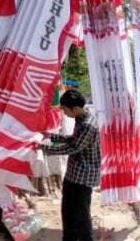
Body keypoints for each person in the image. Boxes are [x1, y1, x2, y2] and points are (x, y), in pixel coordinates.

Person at [40, 89, 100, 241]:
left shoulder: (88, 125)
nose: (64, 114)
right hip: (74, 174)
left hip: (83, 177)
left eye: (65, 110)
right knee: (68, 211)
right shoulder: (80, 119)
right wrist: (51, 136)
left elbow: (73, 147)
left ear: (75, 108)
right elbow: (73, 140)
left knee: (81, 215)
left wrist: (45, 148)